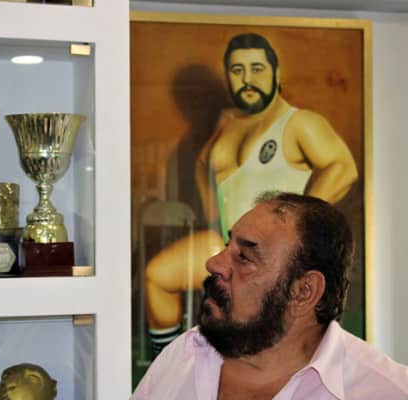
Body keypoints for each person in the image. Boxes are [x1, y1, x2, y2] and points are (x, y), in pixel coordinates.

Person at [144, 32, 359, 356]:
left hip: (272, 256)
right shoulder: (226, 126)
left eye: (257, 68)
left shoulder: (299, 122)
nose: (247, 79)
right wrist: (216, 224)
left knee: (257, 330)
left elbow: (343, 169)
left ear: (276, 73)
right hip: (227, 243)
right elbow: (206, 170)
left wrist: (297, 231)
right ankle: (173, 364)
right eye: (237, 70)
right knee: (157, 277)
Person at [133, 192, 408, 399]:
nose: (213, 263)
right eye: (228, 245)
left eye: (244, 257)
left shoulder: (386, 391)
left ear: (304, 291)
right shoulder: (182, 356)